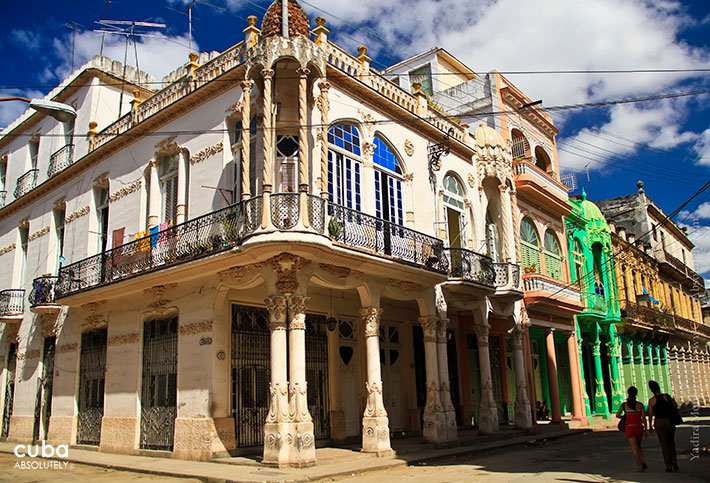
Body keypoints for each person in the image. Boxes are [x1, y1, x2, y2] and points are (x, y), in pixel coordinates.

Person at [648, 380, 679, 472]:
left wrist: (650, 426)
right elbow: (675, 406)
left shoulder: (652, 400)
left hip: (659, 422)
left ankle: (668, 465)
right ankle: (674, 460)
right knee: (671, 442)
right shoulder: (666, 396)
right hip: (669, 421)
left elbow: (650, 414)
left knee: (664, 444)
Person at [616, 386, 648, 472]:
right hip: (638, 427)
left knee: (634, 447)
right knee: (639, 445)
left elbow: (617, 415)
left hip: (629, 427)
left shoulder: (624, 405)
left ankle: (640, 466)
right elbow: (644, 418)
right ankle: (643, 461)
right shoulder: (640, 405)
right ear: (636, 394)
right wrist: (646, 429)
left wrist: (624, 417)